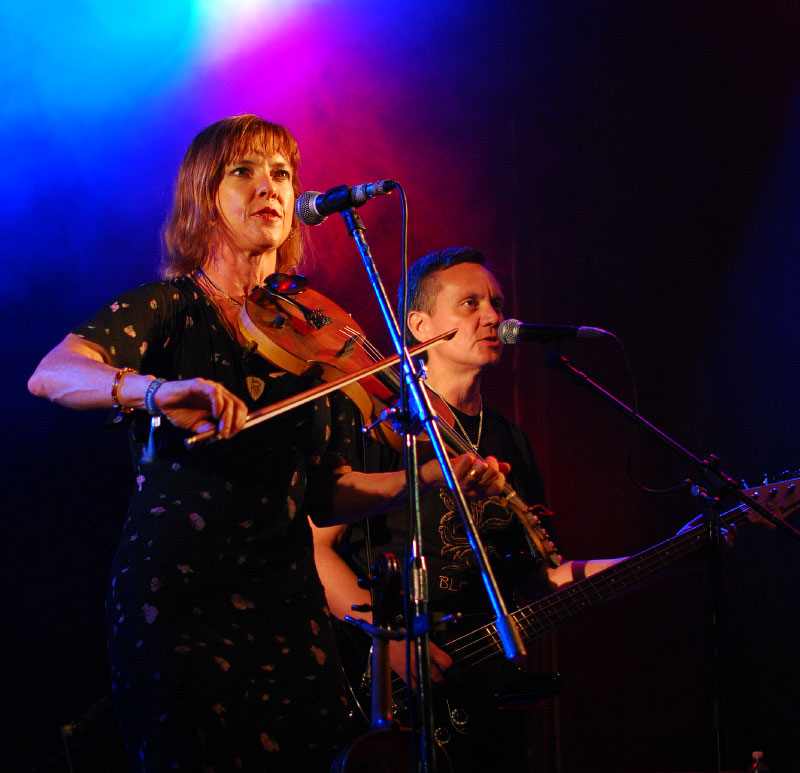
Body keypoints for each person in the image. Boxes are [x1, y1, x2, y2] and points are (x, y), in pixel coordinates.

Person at [27, 118, 506, 772]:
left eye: (281, 173)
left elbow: (329, 493)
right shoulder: (172, 307)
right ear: (204, 197)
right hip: (181, 595)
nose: (270, 186)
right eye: (244, 171)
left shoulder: (310, 332)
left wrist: (427, 476)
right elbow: (52, 372)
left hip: (288, 602)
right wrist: (154, 391)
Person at [311, 247, 640, 771]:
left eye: (497, 303)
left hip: (480, 693)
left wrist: (658, 561)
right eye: (470, 303)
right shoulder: (381, 421)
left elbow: (542, 577)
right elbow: (316, 551)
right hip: (377, 685)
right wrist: (389, 640)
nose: (493, 317)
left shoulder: (510, 439)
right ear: (420, 326)